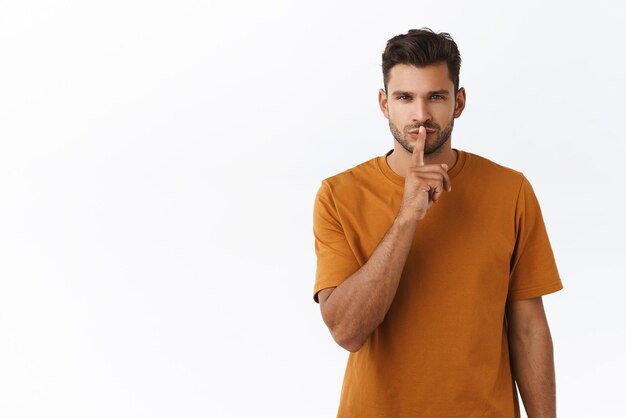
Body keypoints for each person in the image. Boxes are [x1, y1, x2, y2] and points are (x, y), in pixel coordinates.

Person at [312, 28, 563, 418]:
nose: (421, 115)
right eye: (405, 97)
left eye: (436, 97)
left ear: (458, 102)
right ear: (384, 103)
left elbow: (528, 330)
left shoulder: (510, 191)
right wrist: (407, 216)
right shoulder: (339, 195)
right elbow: (346, 331)